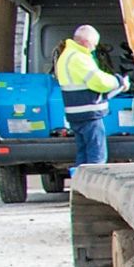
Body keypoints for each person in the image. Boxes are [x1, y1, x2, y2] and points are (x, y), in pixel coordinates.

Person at [56, 26, 127, 170]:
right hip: (89, 114)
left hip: (75, 114)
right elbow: (98, 81)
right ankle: (94, 190)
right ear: (86, 42)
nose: (94, 49)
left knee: (83, 156)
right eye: (94, 45)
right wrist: (119, 82)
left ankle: (80, 187)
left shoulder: (67, 55)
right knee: (97, 157)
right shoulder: (78, 58)